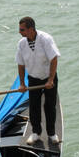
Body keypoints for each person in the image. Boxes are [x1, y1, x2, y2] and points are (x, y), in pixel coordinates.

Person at [16, 16, 60, 145]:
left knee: (50, 106)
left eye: (22, 29)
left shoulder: (45, 39)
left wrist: (51, 80)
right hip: (33, 78)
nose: (20, 32)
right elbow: (20, 64)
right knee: (34, 106)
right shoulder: (22, 43)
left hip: (48, 78)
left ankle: (52, 133)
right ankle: (36, 133)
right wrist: (22, 84)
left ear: (31, 29)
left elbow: (54, 59)